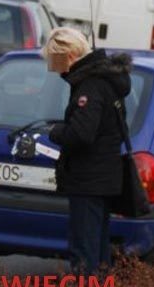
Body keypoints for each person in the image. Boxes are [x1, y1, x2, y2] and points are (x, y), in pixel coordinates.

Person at [41, 28, 132, 274]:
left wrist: (56, 132)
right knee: (98, 249)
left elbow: (81, 134)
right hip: (103, 178)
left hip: (89, 180)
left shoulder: (89, 87)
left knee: (84, 251)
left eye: (55, 59)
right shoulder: (105, 81)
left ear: (70, 55)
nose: (55, 68)